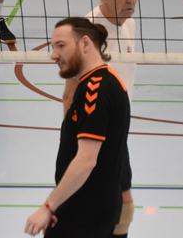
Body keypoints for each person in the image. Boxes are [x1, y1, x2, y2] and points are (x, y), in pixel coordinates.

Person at [25, 17, 131, 238]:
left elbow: (86, 160)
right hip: (89, 210)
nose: (54, 55)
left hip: (83, 216)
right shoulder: (106, 81)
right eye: (53, 47)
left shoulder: (95, 90)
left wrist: (48, 208)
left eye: (61, 45)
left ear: (85, 43)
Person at [61, 0, 139, 237]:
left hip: (116, 129)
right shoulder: (87, 34)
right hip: (92, 131)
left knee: (124, 208)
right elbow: (69, 94)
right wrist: (72, 143)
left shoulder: (130, 23)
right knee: (98, 210)